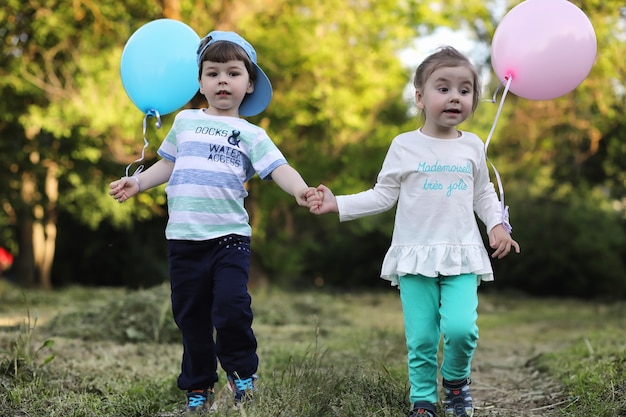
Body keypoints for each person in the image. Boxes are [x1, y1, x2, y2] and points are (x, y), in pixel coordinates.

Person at [307, 46, 520, 417]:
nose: (455, 96)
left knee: (461, 330)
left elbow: (483, 192)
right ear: (420, 97)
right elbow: (382, 195)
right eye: (443, 88)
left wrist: (498, 225)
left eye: (465, 90)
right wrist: (336, 203)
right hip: (415, 254)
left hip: (461, 253)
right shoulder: (404, 145)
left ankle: (455, 382)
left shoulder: (472, 146)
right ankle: (422, 400)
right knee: (421, 337)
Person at [110, 31, 316, 414]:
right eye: (213, 72)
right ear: (200, 82)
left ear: (249, 83)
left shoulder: (253, 134)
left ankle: (242, 376)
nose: (223, 80)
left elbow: (279, 168)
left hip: (229, 238)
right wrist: (138, 181)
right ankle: (199, 385)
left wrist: (301, 191)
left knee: (231, 307)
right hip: (184, 240)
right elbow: (168, 165)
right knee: (191, 318)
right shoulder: (186, 121)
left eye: (234, 73)